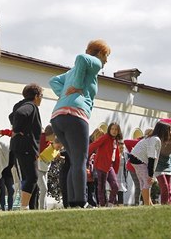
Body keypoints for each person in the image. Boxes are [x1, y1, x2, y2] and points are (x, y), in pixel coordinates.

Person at [49, 39, 110, 208]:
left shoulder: (72, 72)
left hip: (57, 117)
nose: (106, 61)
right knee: (80, 161)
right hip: (75, 115)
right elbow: (82, 58)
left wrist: (64, 94)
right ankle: (82, 201)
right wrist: (76, 87)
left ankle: (72, 203)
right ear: (99, 53)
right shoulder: (94, 63)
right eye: (106, 55)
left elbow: (53, 81)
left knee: (74, 161)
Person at [9, 83, 44, 210]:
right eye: (41, 96)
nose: (41, 99)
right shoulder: (30, 106)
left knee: (29, 178)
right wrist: (18, 129)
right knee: (32, 177)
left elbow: (11, 116)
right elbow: (20, 114)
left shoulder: (21, 104)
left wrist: (20, 129)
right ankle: (24, 207)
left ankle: (31, 207)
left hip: (22, 147)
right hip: (25, 147)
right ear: (36, 96)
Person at [129, 122, 171, 206]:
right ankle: (147, 204)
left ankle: (149, 203)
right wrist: (151, 174)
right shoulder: (155, 139)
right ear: (163, 131)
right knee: (147, 182)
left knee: (143, 182)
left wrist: (151, 174)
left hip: (135, 159)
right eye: (169, 131)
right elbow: (152, 157)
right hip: (139, 160)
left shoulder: (153, 138)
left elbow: (153, 158)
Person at [88, 123, 122, 207]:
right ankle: (102, 206)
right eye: (112, 129)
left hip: (109, 167)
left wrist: (116, 169)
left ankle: (110, 204)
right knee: (101, 188)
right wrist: (84, 155)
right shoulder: (105, 137)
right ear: (109, 130)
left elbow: (116, 156)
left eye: (116, 129)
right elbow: (94, 144)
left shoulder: (115, 140)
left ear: (118, 131)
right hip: (100, 166)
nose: (114, 131)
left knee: (115, 186)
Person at [0, 135, 18, 211]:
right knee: (2, 190)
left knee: (11, 190)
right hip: (0, 171)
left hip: (8, 174)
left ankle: (10, 208)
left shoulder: (17, 153)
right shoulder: (6, 148)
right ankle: (3, 208)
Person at [35, 125, 57, 210]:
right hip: (37, 166)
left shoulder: (49, 143)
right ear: (51, 134)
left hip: (44, 167)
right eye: (54, 135)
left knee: (44, 189)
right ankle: (41, 209)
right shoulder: (40, 139)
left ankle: (44, 208)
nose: (55, 137)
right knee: (43, 188)